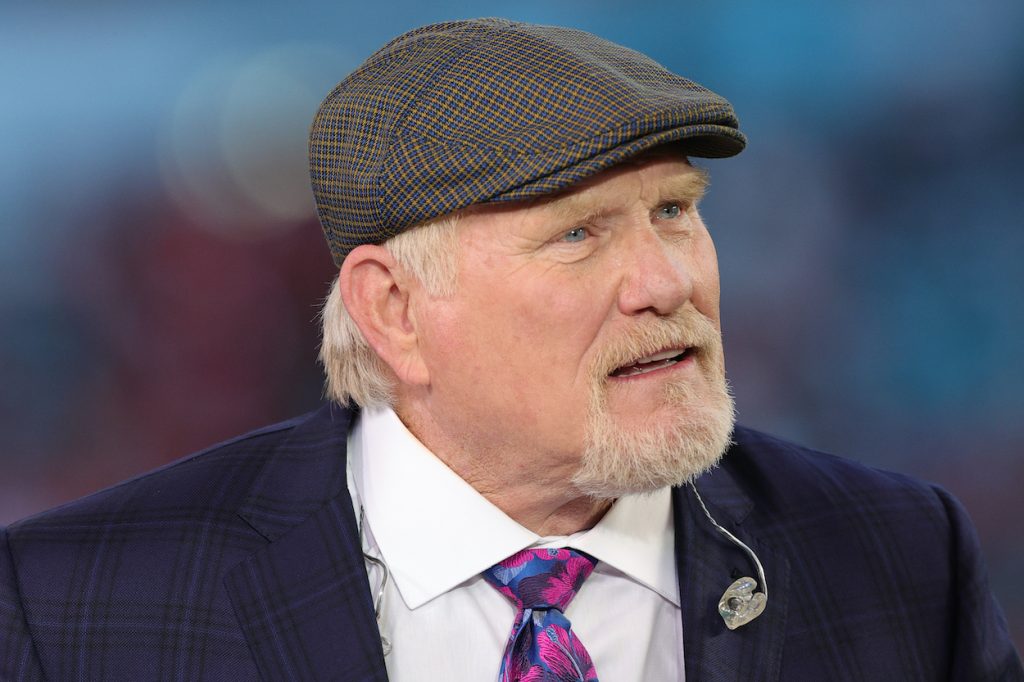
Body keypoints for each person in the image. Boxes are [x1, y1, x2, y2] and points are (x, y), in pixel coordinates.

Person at [1, 17, 1020, 682]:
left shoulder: (898, 554)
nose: (666, 280)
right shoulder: (80, 606)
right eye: (576, 233)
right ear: (391, 309)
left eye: (673, 211)